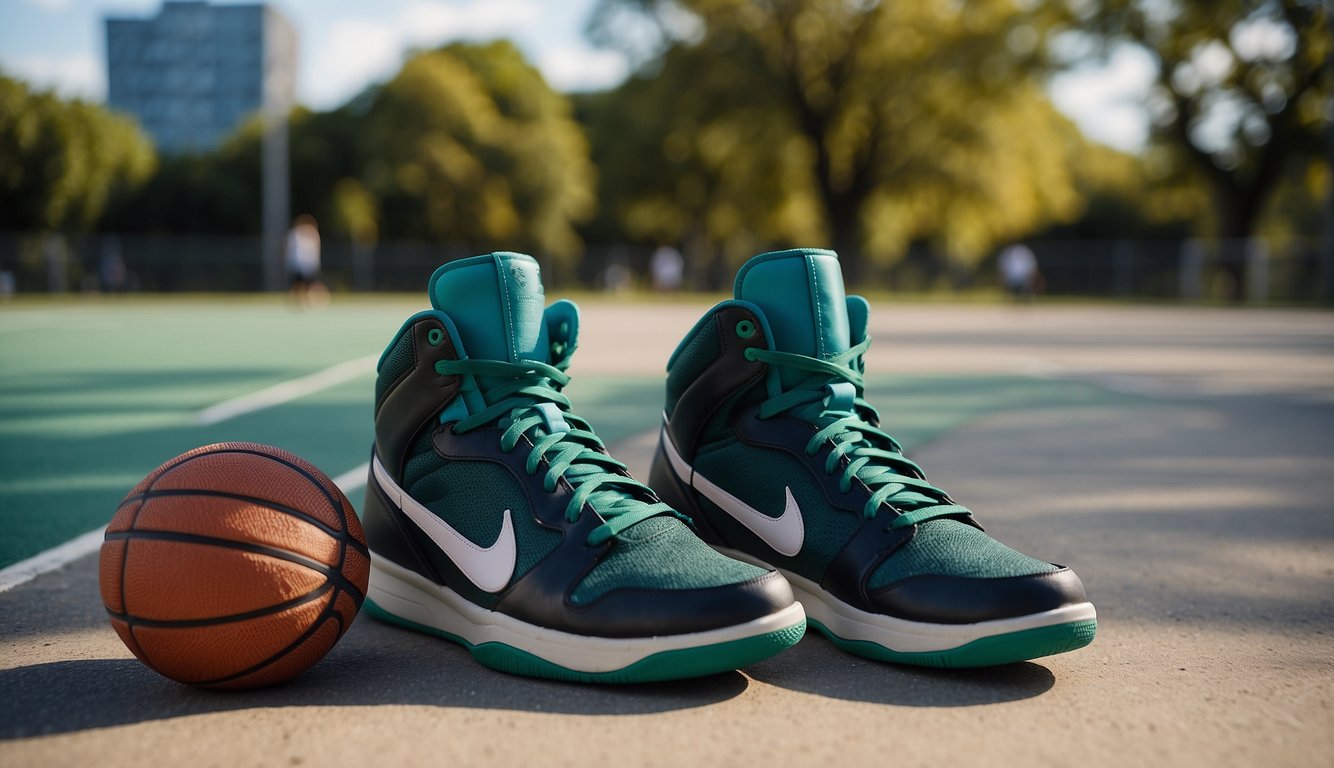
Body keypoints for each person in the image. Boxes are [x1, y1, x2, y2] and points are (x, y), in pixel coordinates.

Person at [285, 214, 326, 307]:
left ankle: (312, 301)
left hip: (309, 265)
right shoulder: (295, 234)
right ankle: (299, 301)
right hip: (298, 265)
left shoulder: (312, 234)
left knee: (310, 284)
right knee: (299, 284)